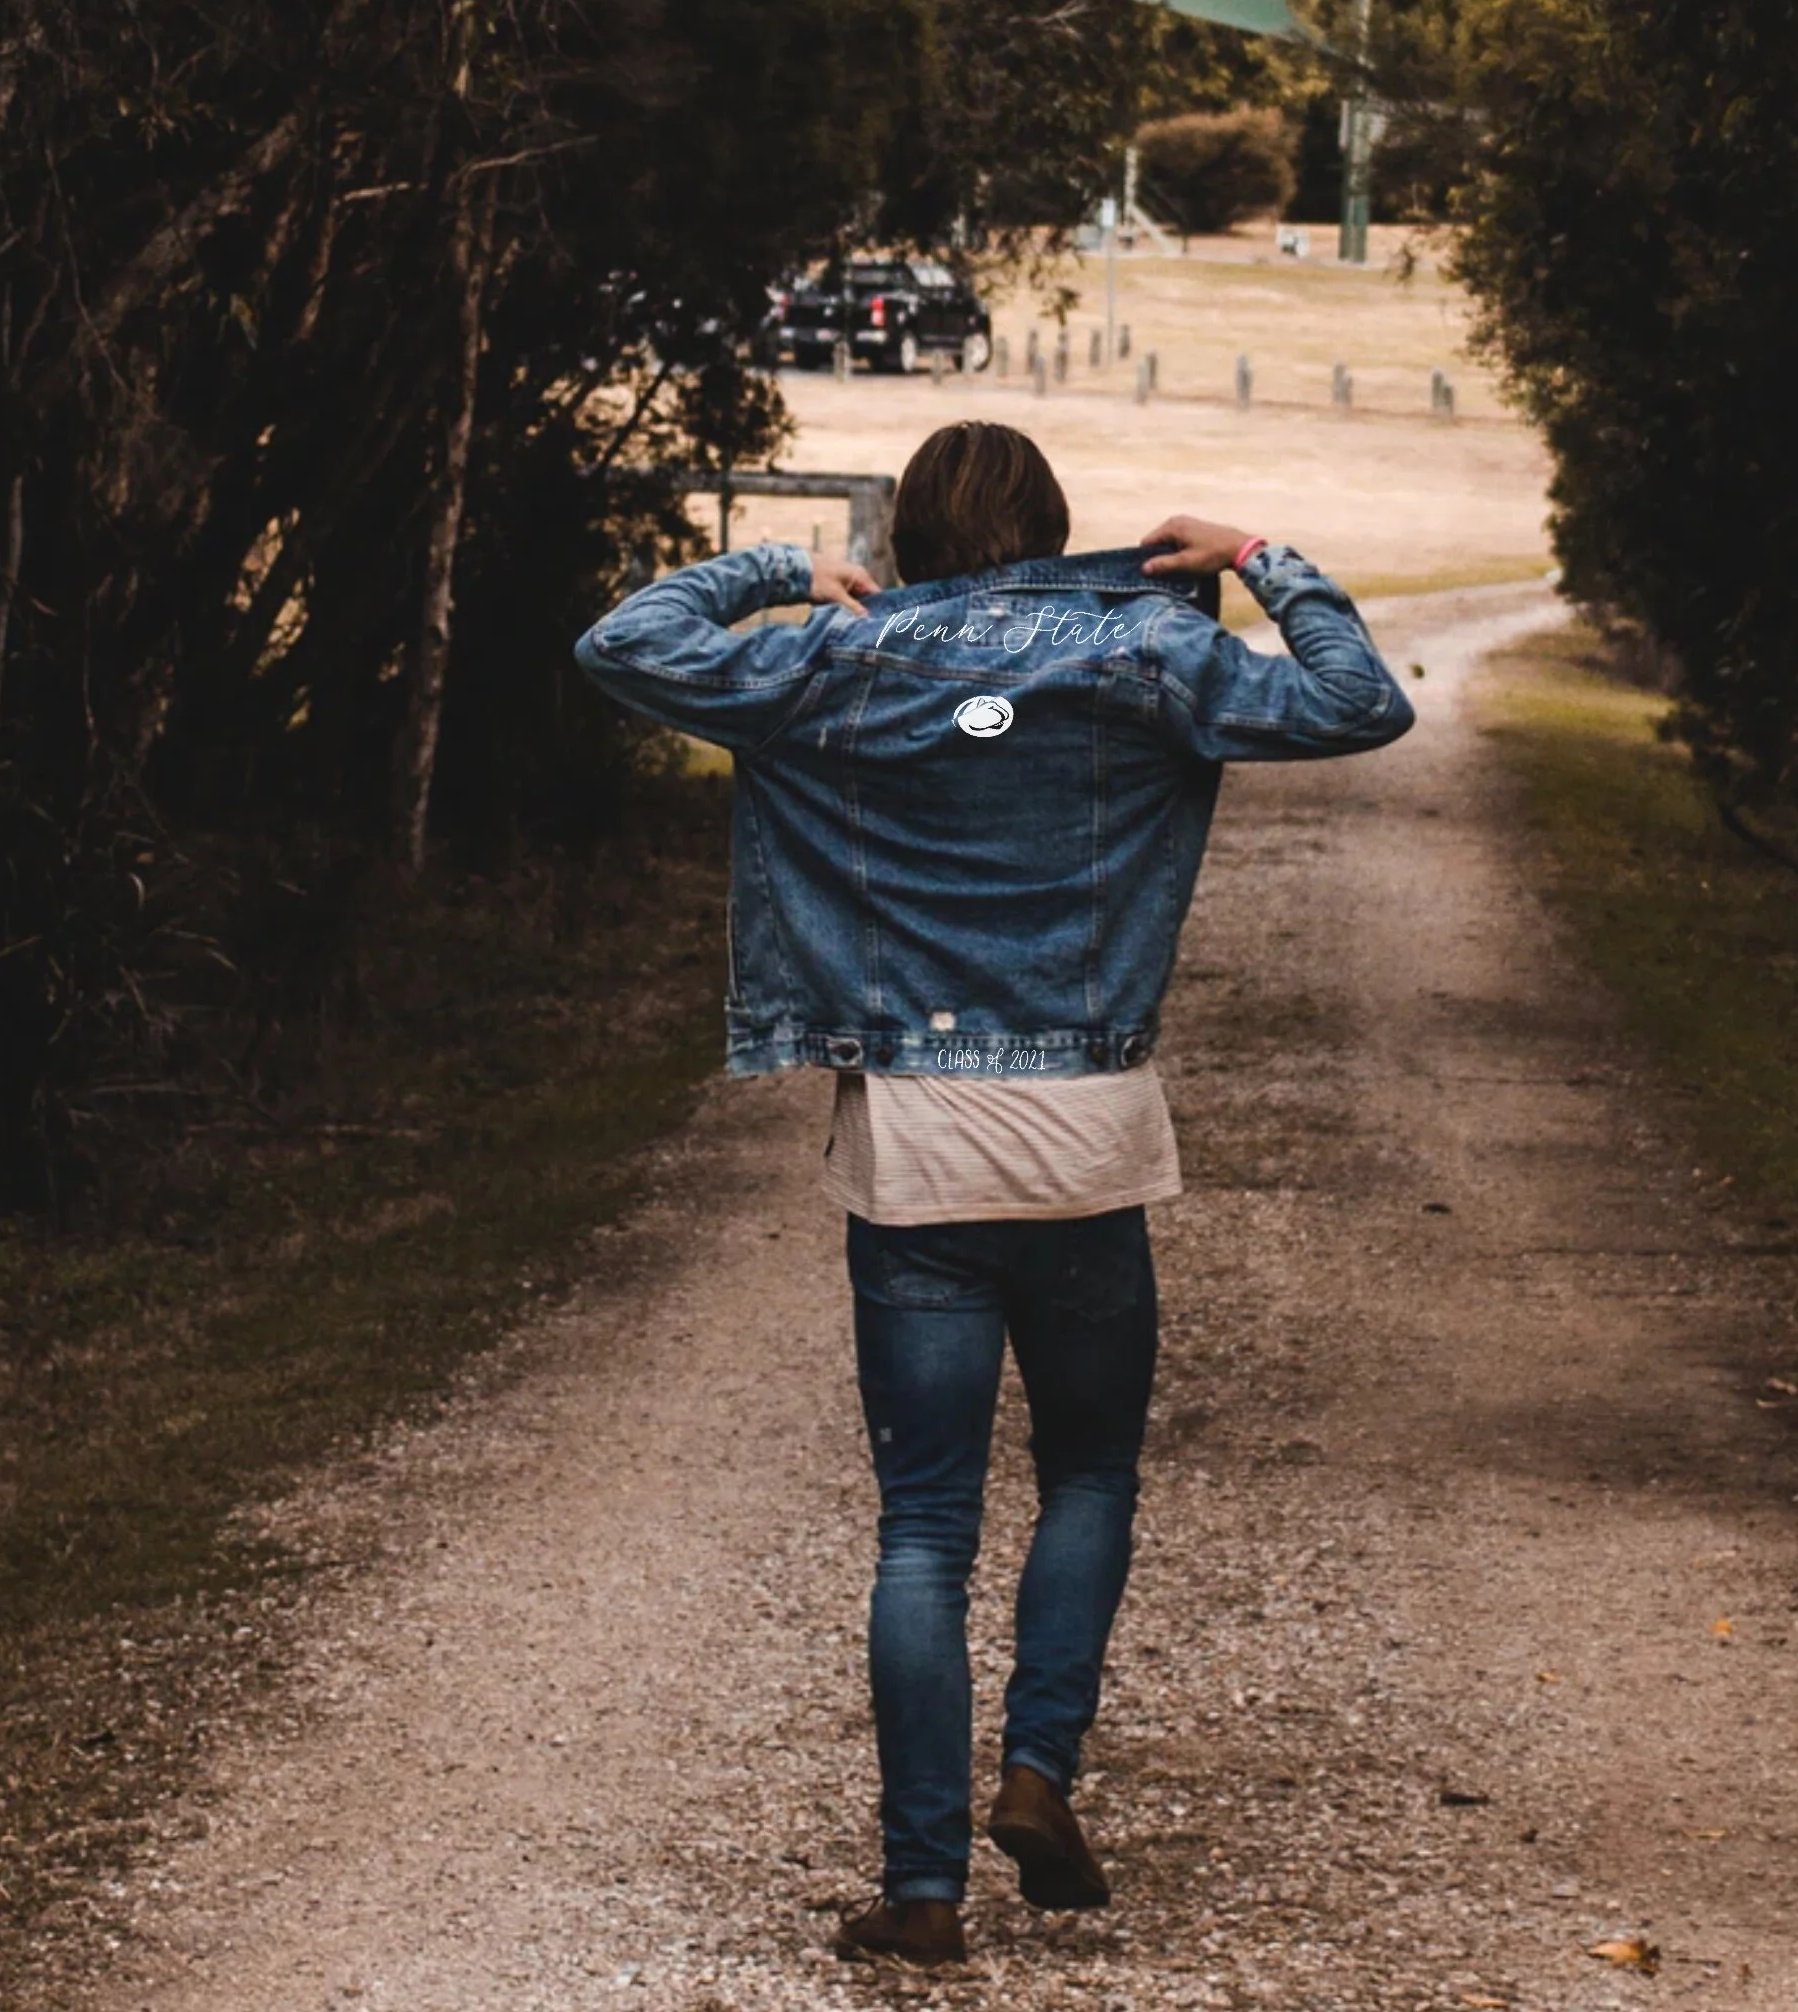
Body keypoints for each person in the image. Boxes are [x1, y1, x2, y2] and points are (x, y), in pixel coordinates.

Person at [573, 421, 1414, 1966]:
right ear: (1052, 524)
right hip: (1090, 1137)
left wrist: (778, 566)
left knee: (924, 1530)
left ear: (907, 531)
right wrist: (1254, 561)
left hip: (916, 1145)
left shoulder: (837, 662)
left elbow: (623, 644)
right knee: (1090, 1475)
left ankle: (923, 1891)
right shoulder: (1148, 654)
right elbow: (1364, 702)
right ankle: (1038, 1770)